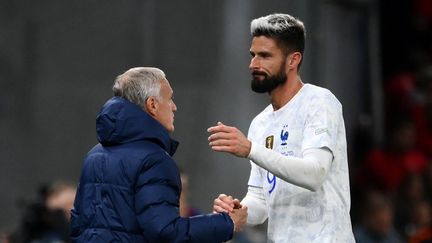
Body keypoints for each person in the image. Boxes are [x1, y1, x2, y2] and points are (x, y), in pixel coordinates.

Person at [208, 13, 355, 242]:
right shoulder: (260, 123)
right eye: (253, 55)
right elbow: (261, 200)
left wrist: (250, 149)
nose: (253, 64)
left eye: (265, 56)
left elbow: (315, 174)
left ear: (293, 60)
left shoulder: (319, 102)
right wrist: (240, 212)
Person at [71, 67, 247, 242]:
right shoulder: (153, 160)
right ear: (152, 105)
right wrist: (228, 223)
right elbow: (165, 233)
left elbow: (77, 224)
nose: (174, 107)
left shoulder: (93, 156)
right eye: (170, 99)